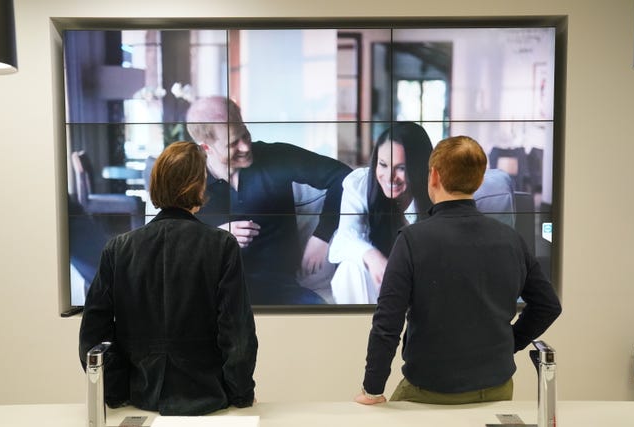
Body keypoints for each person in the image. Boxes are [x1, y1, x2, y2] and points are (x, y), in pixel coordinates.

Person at [355, 135, 562, 405]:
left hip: (429, 392)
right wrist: (509, 343)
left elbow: (387, 324)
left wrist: (372, 390)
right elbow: (548, 305)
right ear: (478, 179)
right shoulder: (510, 239)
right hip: (497, 390)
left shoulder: (410, 240)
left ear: (434, 176)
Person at [79, 141, 258, 416]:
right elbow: (238, 334)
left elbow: (94, 334)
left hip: (139, 399)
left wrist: (116, 393)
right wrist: (241, 396)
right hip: (208, 402)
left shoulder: (118, 248)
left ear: (156, 185)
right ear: (199, 186)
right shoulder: (221, 245)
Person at [186, 96, 352, 305]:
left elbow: (345, 177)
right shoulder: (189, 182)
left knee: (325, 322)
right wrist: (216, 238)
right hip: (217, 296)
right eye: (233, 143)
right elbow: (173, 245)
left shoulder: (276, 157)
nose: (246, 147)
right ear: (206, 148)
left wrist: (322, 235)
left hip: (282, 291)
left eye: (245, 134)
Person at [328, 122, 433, 304]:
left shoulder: (436, 191)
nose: (389, 177)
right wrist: (373, 257)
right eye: (383, 164)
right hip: (377, 287)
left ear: (419, 168)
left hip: (420, 287)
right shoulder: (360, 184)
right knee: (349, 269)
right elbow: (342, 241)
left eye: (401, 168)